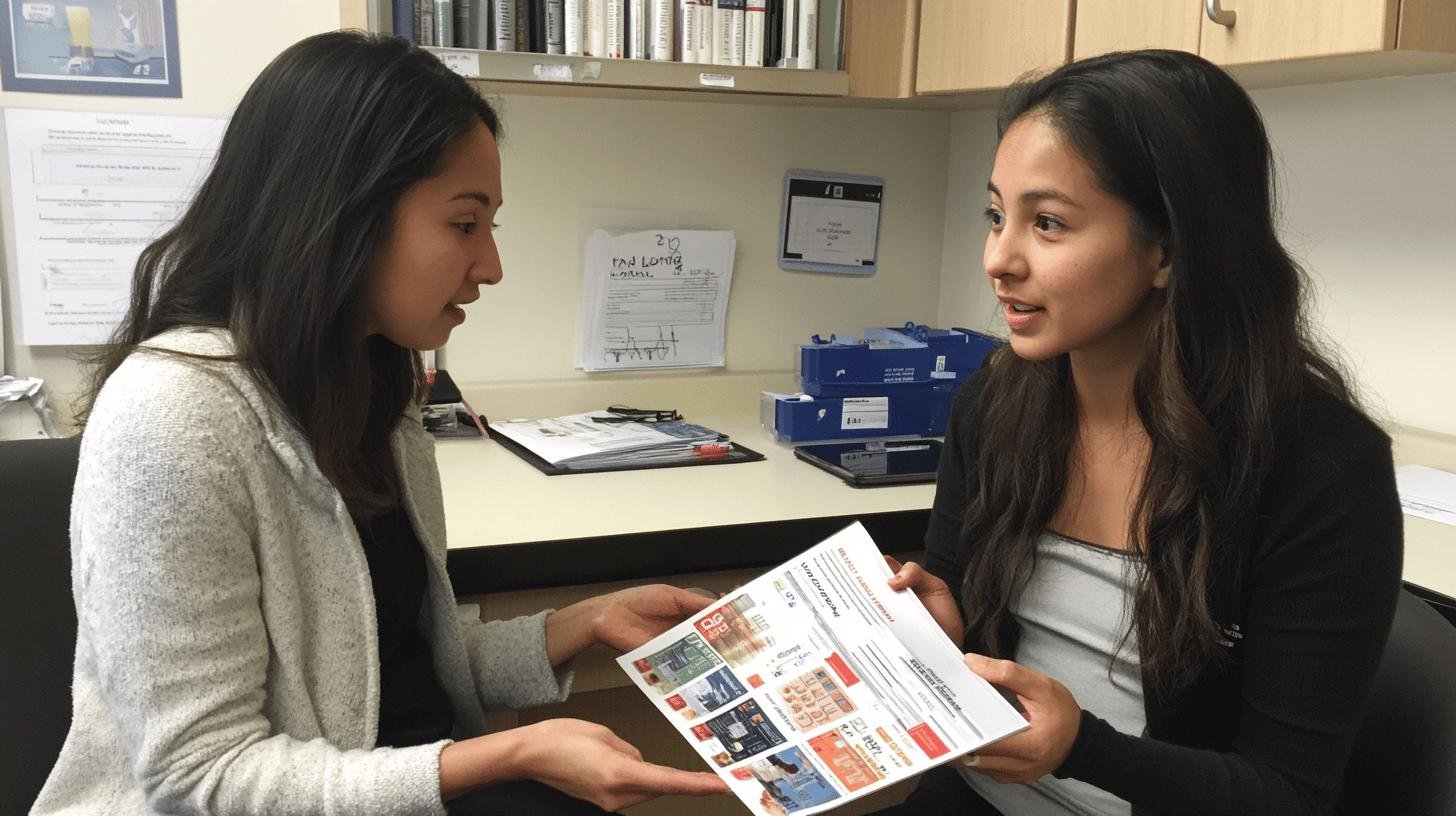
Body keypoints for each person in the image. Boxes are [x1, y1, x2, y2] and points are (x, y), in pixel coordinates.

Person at [32, 31, 729, 816]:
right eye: (465, 225)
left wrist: (581, 624)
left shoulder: (372, 384)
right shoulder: (172, 418)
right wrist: (508, 751)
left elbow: (371, 662)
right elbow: (201, 777)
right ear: (340, 216)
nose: (491, 265)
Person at [879, 50, 1402, 816]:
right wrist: (942, 625)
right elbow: (980, 660)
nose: (998, 260)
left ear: (1168, 249)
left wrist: (1082, 747)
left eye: (1047, 224)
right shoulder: (996, 400)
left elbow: (1287, 794)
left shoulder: (1319, 467)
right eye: (998, 216)